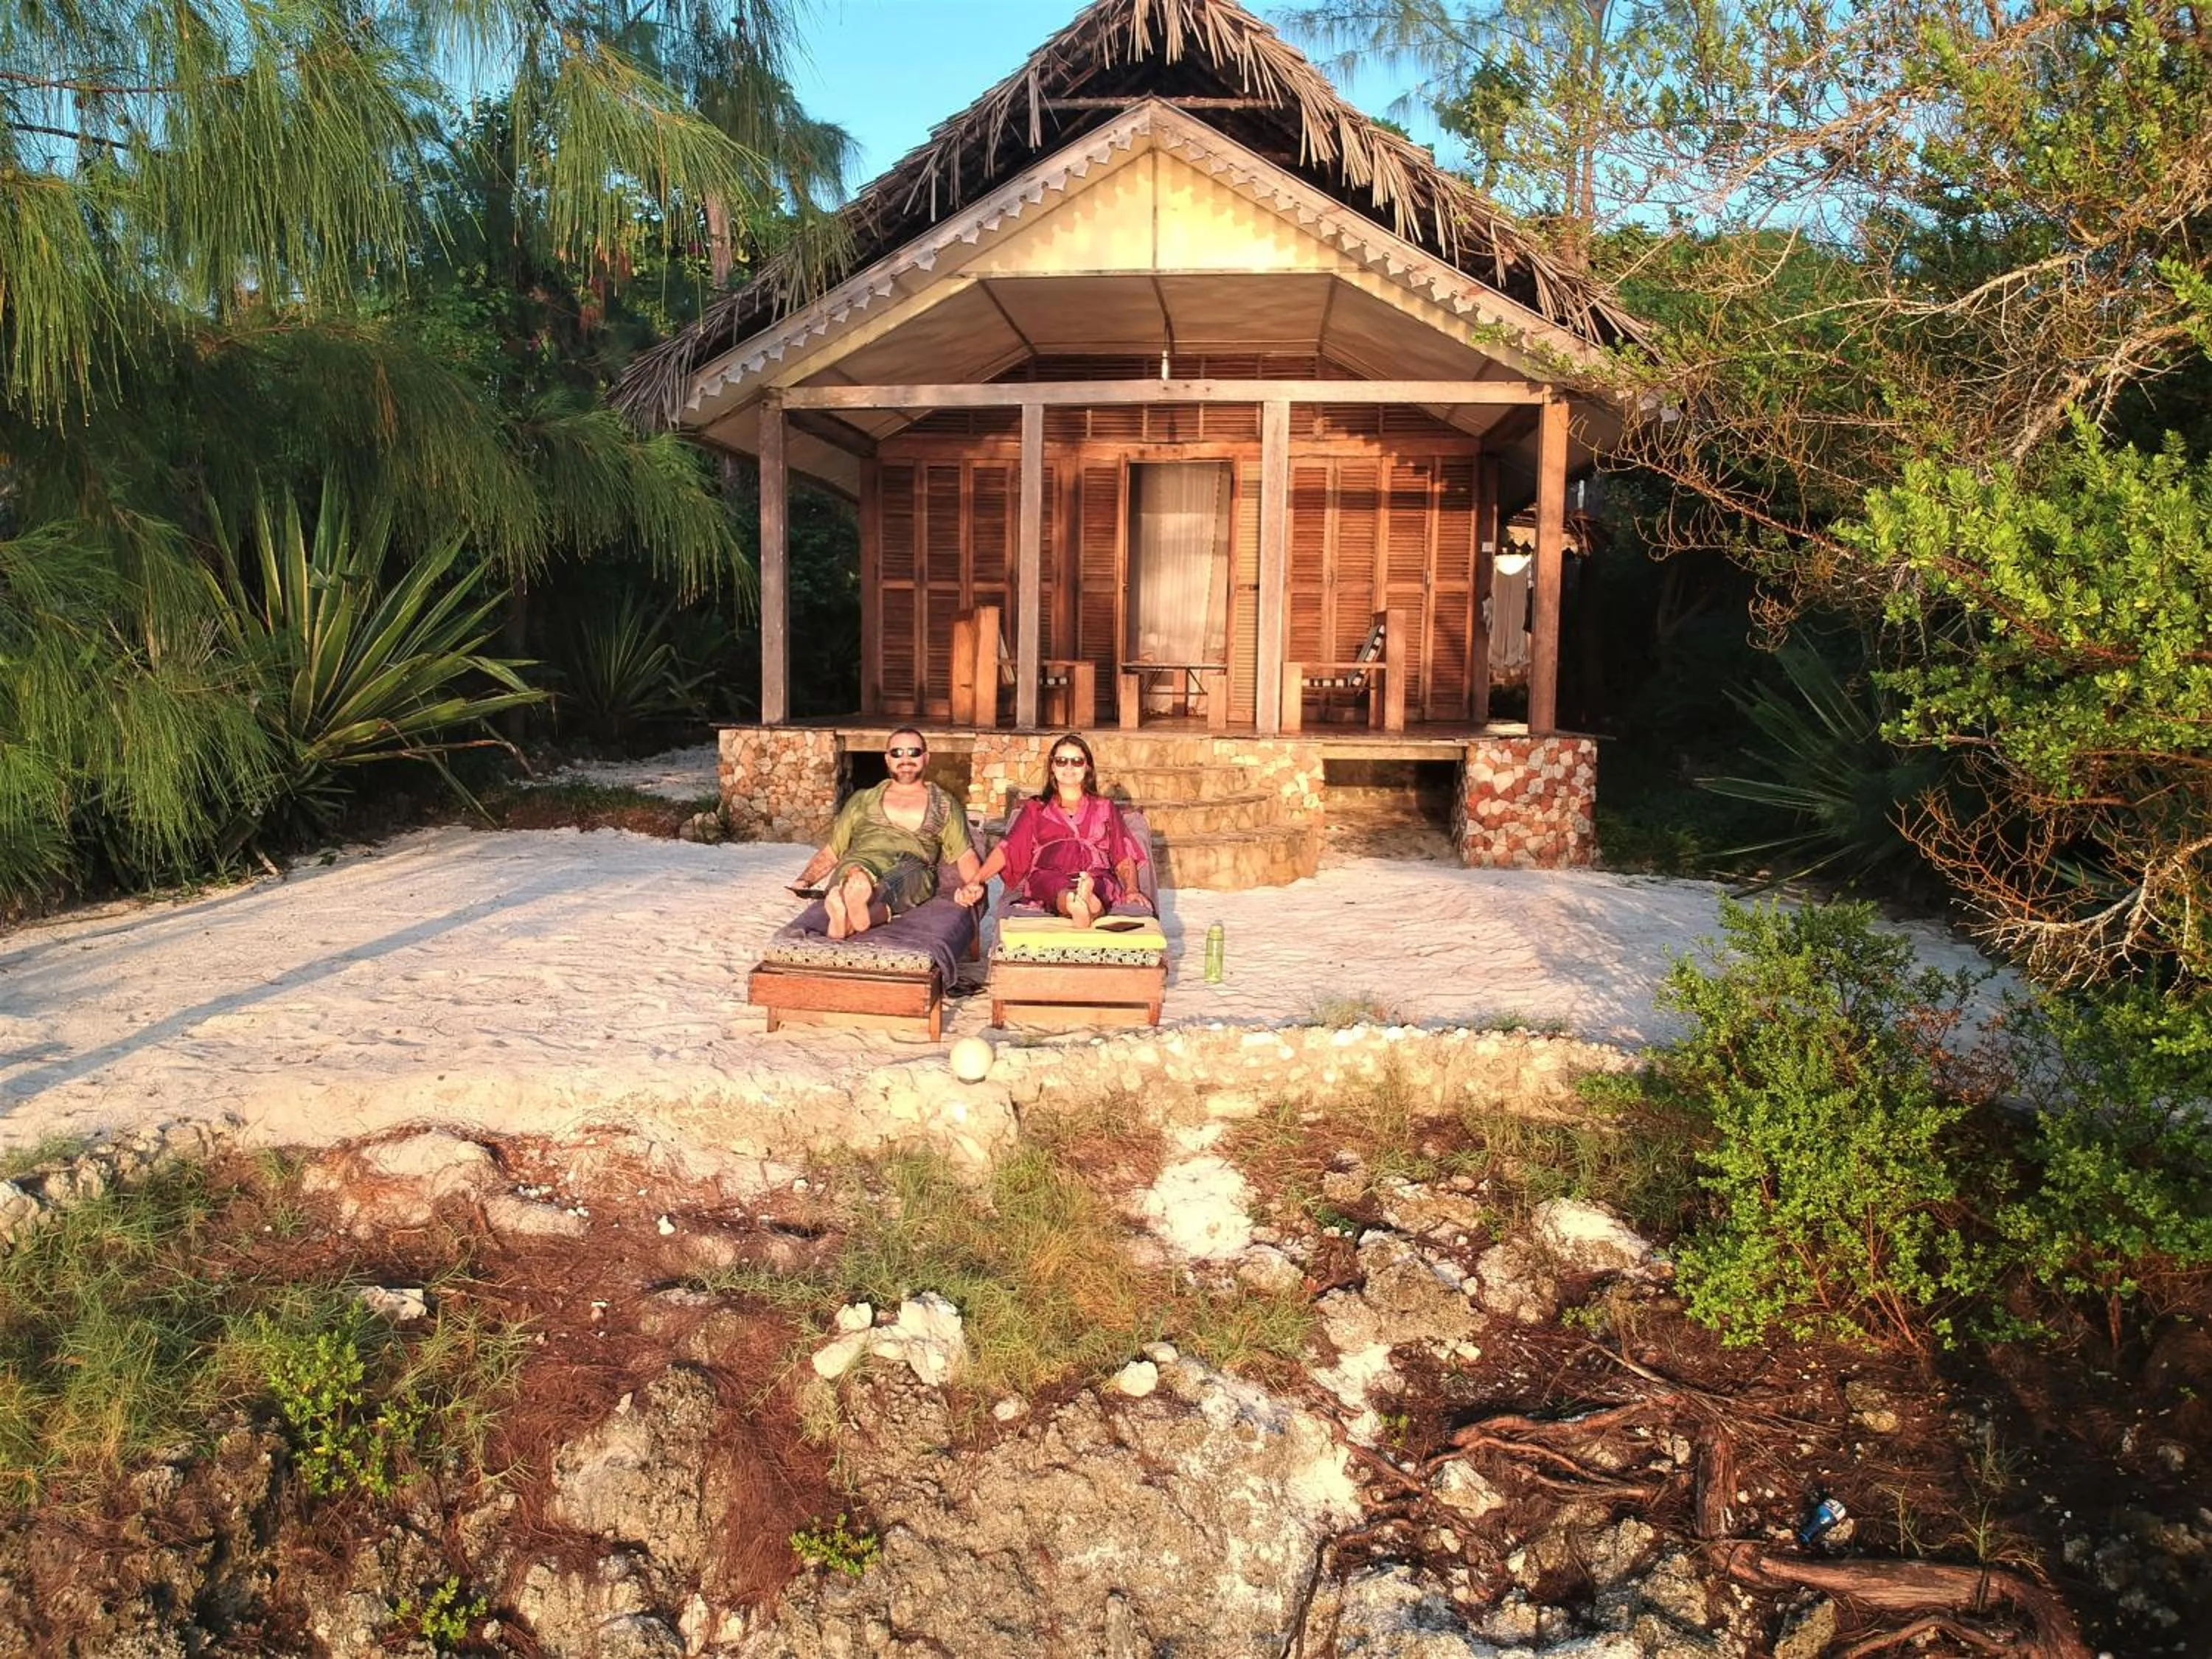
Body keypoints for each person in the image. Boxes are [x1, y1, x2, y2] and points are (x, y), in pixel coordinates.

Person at [790, 729, 984, 939]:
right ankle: (854, 910)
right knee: (854, 871)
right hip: (863, 860)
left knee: (902, 876)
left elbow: (965, 854)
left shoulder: (944, 803)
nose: (906, 759)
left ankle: (851, 912)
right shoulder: (862, 800)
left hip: (912, 865)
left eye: (914, 752)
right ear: (887, 759)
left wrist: (973, 884)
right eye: (897, 753)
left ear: (926, 758)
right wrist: (804, 881)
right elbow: (833, 851)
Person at [957, 732, 1150, 928]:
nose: (1069, 767)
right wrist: (977, 880)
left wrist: (1132, 889)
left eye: (1077, 761)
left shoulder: (1104, 807)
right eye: (1061, 761)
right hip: (1049, 872)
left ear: (1088, 767)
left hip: (1095, 872)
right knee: (1051, 885)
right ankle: (1077, 903)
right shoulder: (1036, 809)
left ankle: (1087, 900)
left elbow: (1123, 853)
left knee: (1101, 884)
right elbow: (1009, 848)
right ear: (1052, 767)